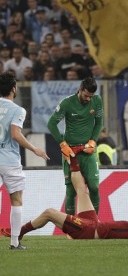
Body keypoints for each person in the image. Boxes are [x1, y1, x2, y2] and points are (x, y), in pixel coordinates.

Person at [10, 163, 128, 242]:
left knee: (49, 213)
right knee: (82, 190)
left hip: (89, 230)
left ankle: (18, 233)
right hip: (94, 223)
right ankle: (73, 157)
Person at [0, 72, 49, 250]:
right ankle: (14, 242)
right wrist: (34, 148)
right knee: (16, 200)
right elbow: (15, 134)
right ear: (13, 88)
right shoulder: (18, 110)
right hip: (9, 160)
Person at [47, 77, 103, 215]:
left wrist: (93, 141)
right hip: (70, 153)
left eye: (91, 96)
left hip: (88, 152)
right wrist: (62, 143)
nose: (88, 99)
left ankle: (94, 225)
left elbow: (99, 123)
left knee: (94, 187)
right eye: (86, 95)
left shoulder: (97, 101)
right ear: (80, 89)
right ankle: (71, 229)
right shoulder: (67, 103)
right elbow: (51, 124)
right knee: (71, 192)